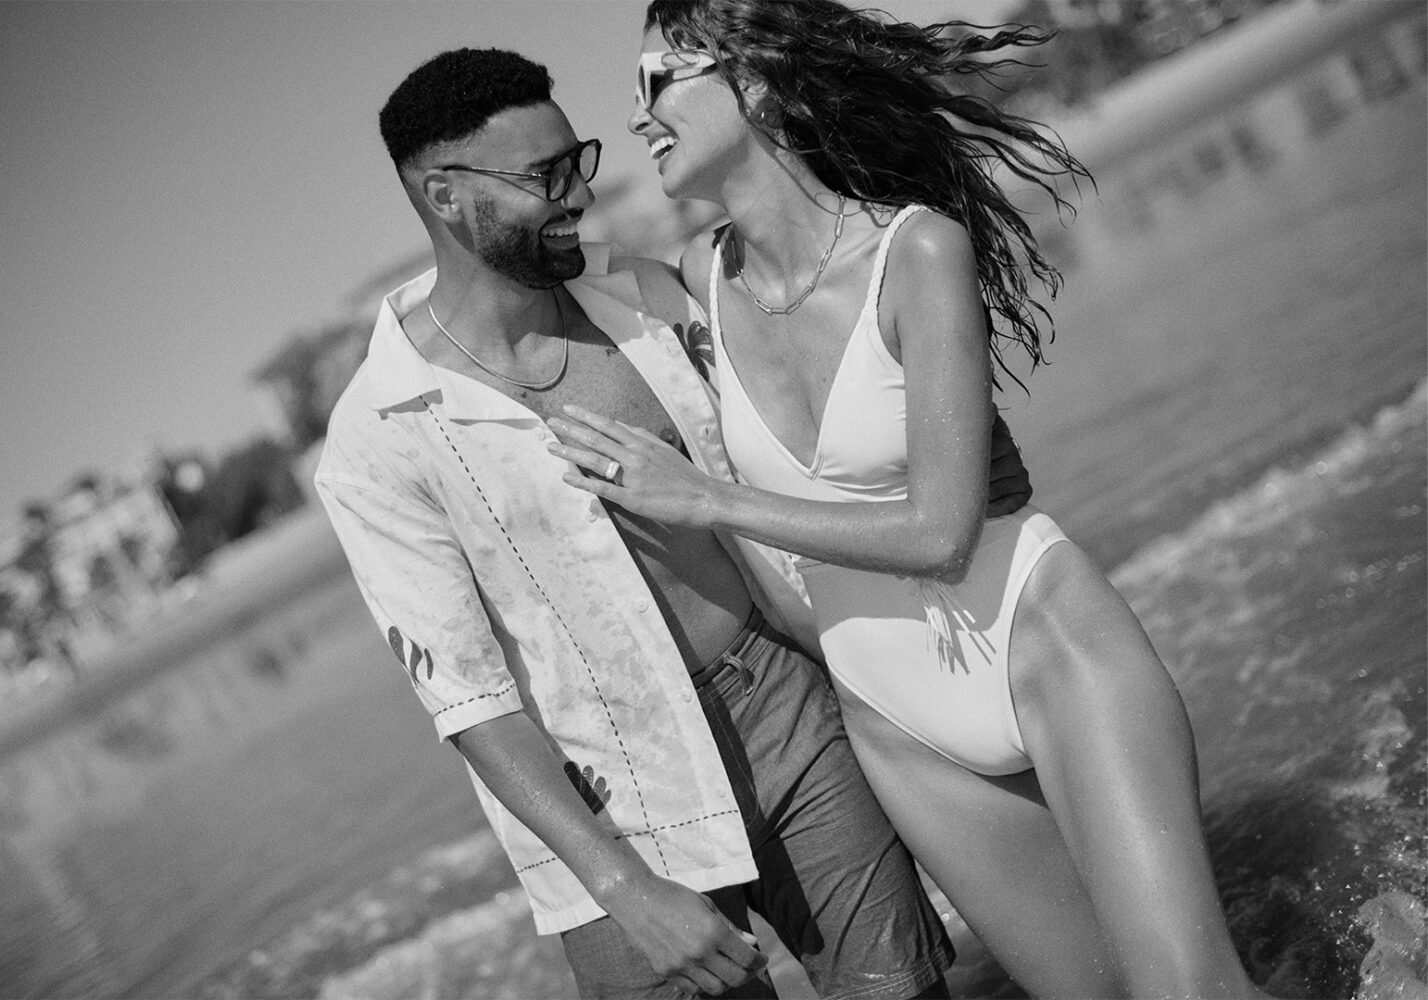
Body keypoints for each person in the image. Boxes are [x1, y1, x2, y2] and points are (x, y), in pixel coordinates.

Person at [547, 3, 1271, 998]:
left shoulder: (916, 251)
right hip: (898, 722)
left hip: (1037, 643)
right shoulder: (691, 293)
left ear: (756, 78)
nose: (636, 116)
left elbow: (939, 529)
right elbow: (537, 301)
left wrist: (707, 500)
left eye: (657, 83)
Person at [315, 46, 1033, 1000]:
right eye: (545, 177)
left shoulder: (647, 297)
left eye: (579, 159)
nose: (579, 192)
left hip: (786, 709)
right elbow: (468, 700)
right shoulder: (379, 436)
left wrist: (960, 429)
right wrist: (623, 886)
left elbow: (809, 393)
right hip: (604, 799)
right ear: (447, 197)